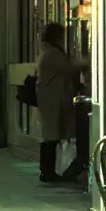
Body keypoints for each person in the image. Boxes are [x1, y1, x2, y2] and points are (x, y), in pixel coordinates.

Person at [35, 23, 86, 183]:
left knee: (51, 136)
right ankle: (47, 171)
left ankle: (47, 170)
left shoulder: (47, 52)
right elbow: (70, 67)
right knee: (51, 136)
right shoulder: (53, 54)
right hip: (53, 100)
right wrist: (88, 60)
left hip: (51, 99)